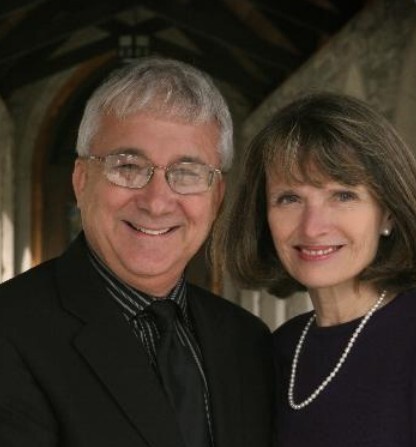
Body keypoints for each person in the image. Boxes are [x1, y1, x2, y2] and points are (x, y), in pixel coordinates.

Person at [0, 57, 275, 447]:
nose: (157, 202)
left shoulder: (247, 341)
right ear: (81, 180)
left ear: (216, 197)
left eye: (187, 172)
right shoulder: (11, 329)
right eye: (128, 167)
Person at [219, 92, 416, 446]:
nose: (312, 227)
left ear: (387, 213)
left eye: (343, 195)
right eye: (290, 198)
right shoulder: (276, 352)